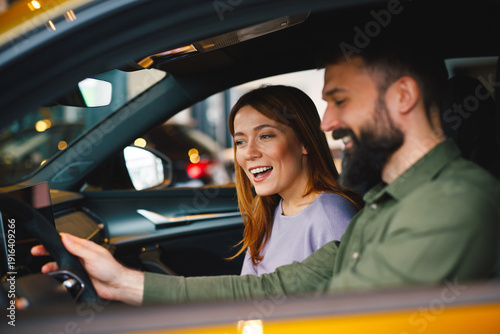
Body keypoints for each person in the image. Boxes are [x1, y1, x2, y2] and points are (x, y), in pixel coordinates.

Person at [32, 47, 500, 306]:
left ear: (402, 97)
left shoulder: (453, 203)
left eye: (339, 99)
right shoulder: (382, 206)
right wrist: (121, 283)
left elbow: (341, 318)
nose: (328, 122)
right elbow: (277, 289)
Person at [228, 85, 360, 276]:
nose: (249, 153)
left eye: (265, 136)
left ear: (304, 142)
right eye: (240, 141)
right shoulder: (266, 212)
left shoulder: (330, 216)